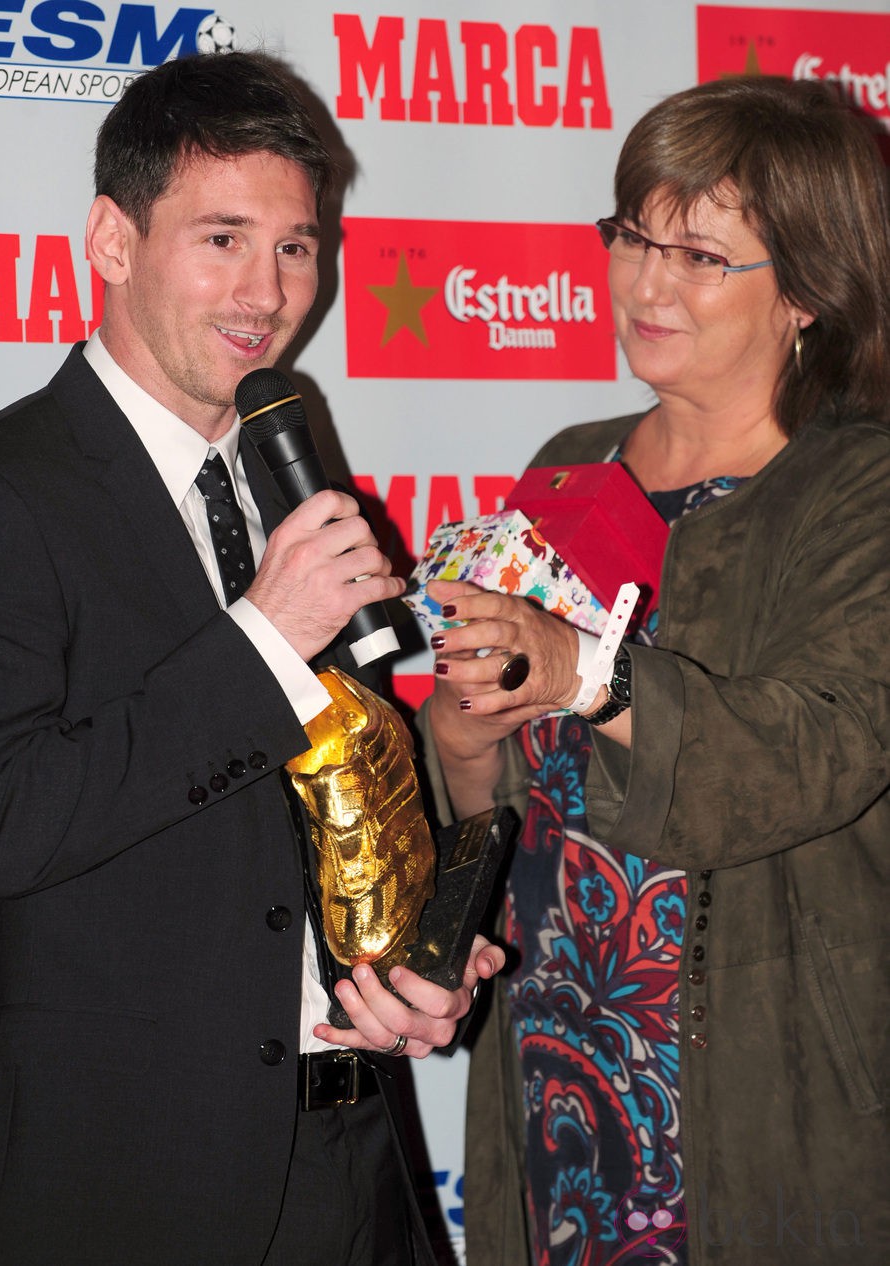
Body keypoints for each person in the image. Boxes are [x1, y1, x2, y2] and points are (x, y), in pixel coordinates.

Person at [0, 51, 504, 1266]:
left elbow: (329, 798)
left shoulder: (291, 478)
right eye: (222, 237)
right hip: (132, 1185)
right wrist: (261, 637)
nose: (268, 289)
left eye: (295, 245)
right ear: (112, 242)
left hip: (361, 1164)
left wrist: (421, 944)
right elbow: (5, 823)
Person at [421, 76, 889, 1266]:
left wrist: (583, 672)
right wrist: (463, 744)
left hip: (764, 1091)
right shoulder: (568, 467)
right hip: (555, 1055)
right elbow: (501, 810)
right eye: (630, 236)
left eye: (696, 255)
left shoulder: (858, 491)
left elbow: (812, 753)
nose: (642, 283)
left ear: (807, 293)